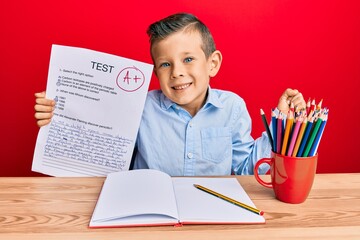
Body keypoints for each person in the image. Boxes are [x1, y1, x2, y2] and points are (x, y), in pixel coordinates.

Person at [34, 13, 306, 176]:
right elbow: (104, 155)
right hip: (148, 212)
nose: (176, 72)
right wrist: (61, 115)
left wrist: (282, 122)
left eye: (188, 59)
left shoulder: (232, 107)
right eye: (165, 64)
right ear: (156, 72)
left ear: (213, 63)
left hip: (208, 216)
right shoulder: (140, 107)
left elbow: (250, 168)